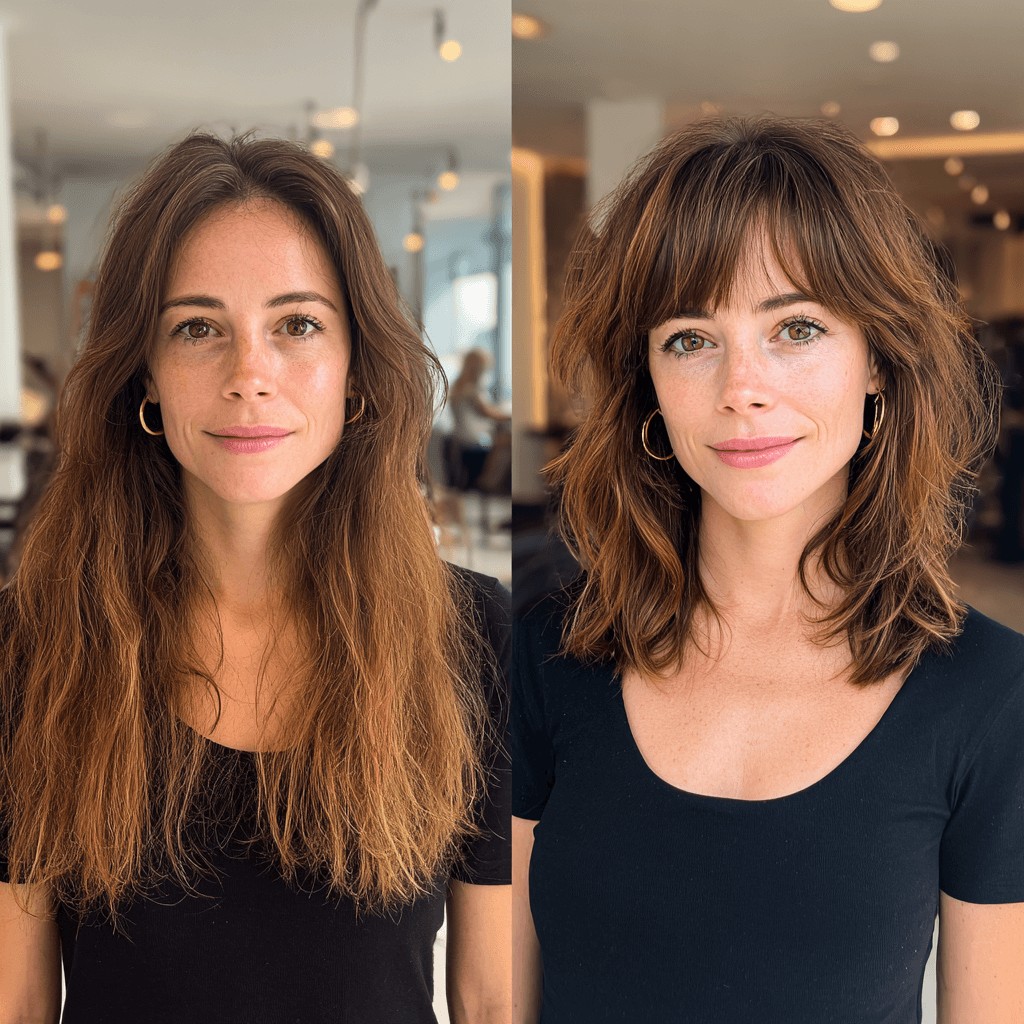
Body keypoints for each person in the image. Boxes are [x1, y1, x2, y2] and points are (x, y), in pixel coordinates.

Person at [512, 115, 1024, 1024]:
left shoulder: (991, 693)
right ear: (650, 388)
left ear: (878, 362)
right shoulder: (542, 655)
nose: (742, 386)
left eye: (795, 328)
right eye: (690, 339)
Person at [0, 132, 511, 1024]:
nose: (249, 376)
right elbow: (17, 996)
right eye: (198, 328)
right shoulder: (34, 643)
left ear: (356, 370)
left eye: (297, 325)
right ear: (145, 378)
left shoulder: (473, 638)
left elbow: (490, 996)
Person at [448, 347, 510, 491]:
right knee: (506, 441)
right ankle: (488, 482)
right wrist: (512, 415)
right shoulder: (471, 390)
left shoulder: (458, 385)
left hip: (460, 437)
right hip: (473, 440)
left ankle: (490, 482)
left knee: (502, 440)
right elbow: (489, 413)